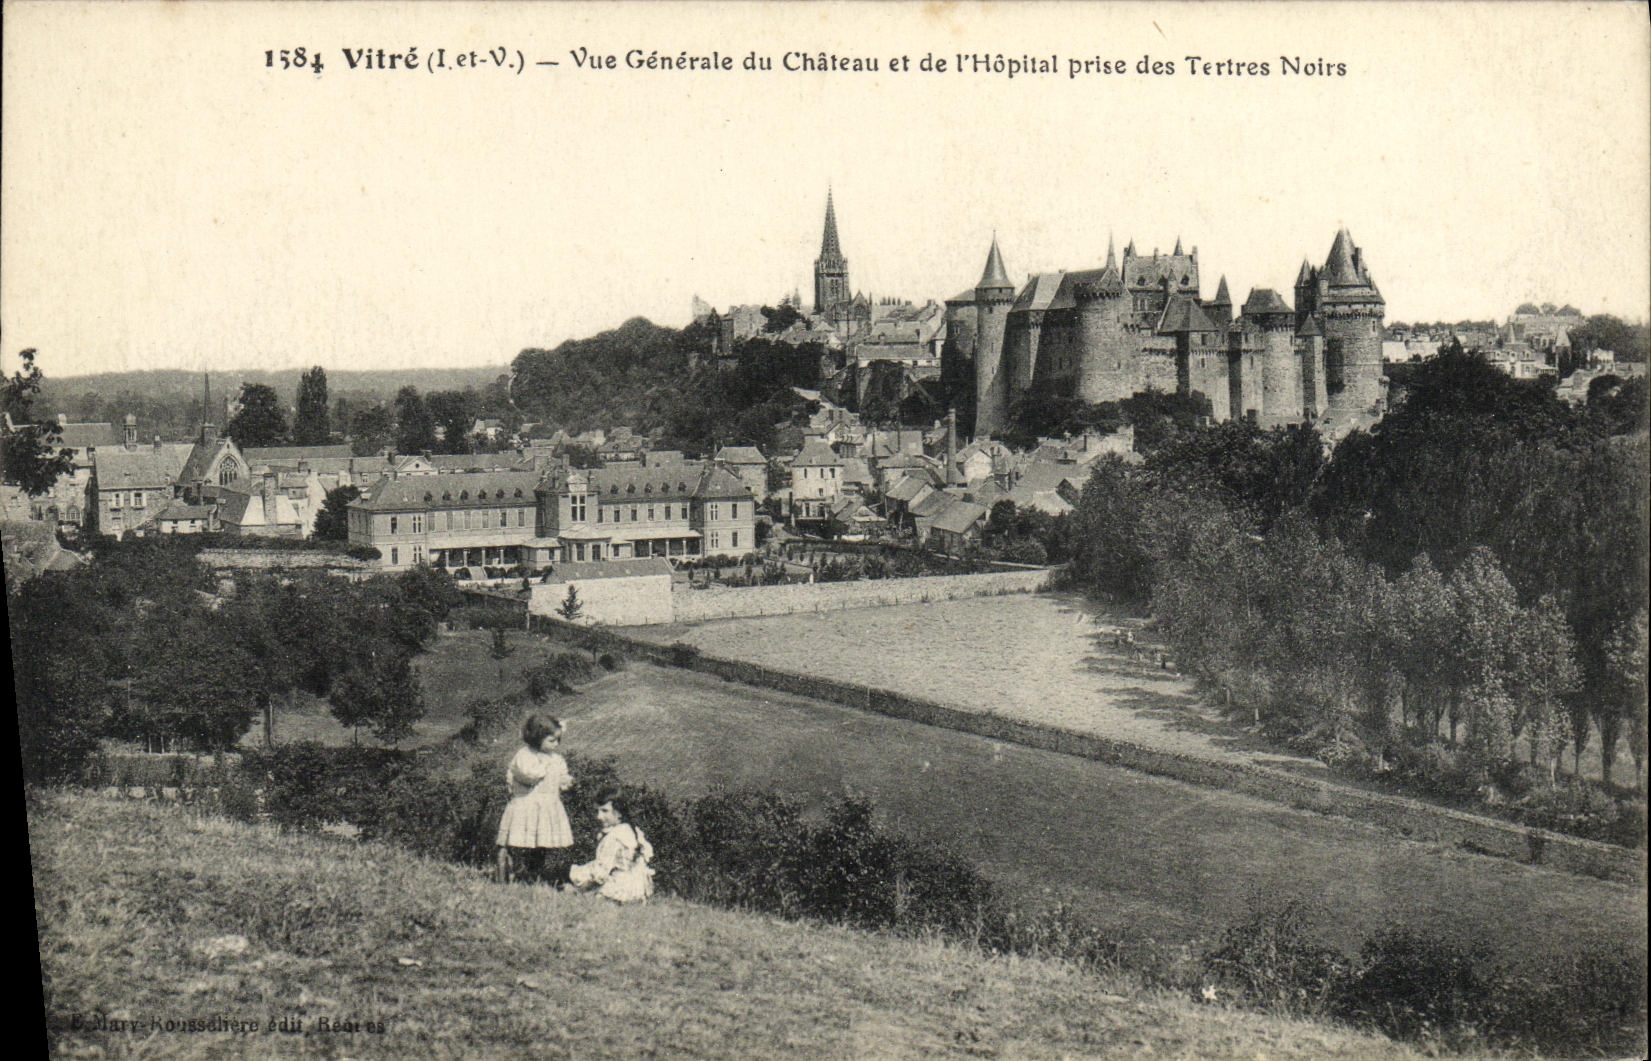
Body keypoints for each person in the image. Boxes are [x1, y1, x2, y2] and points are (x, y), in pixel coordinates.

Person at [494, 714, 574, 885]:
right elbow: (528, 775)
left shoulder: (556, 759)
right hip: (527, 805)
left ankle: (534, 875)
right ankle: (514, 872)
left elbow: (560, 775)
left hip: (547, 806)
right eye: (552, 740)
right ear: (537, 738)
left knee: (542, 842)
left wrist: (564, 781)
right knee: (521, 841)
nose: (556, 744)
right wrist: (543, 767)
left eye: (558, 740)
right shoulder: (524, 755)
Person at [567, 789, 655, 903]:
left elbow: (601, 870)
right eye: (597, 811)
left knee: (580, 890)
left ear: (619, 813)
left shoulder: (615, 837)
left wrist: (580, 880)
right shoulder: (630, 829)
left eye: (605, 811)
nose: (599, 816)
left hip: (621, 887)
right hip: (637, 887)